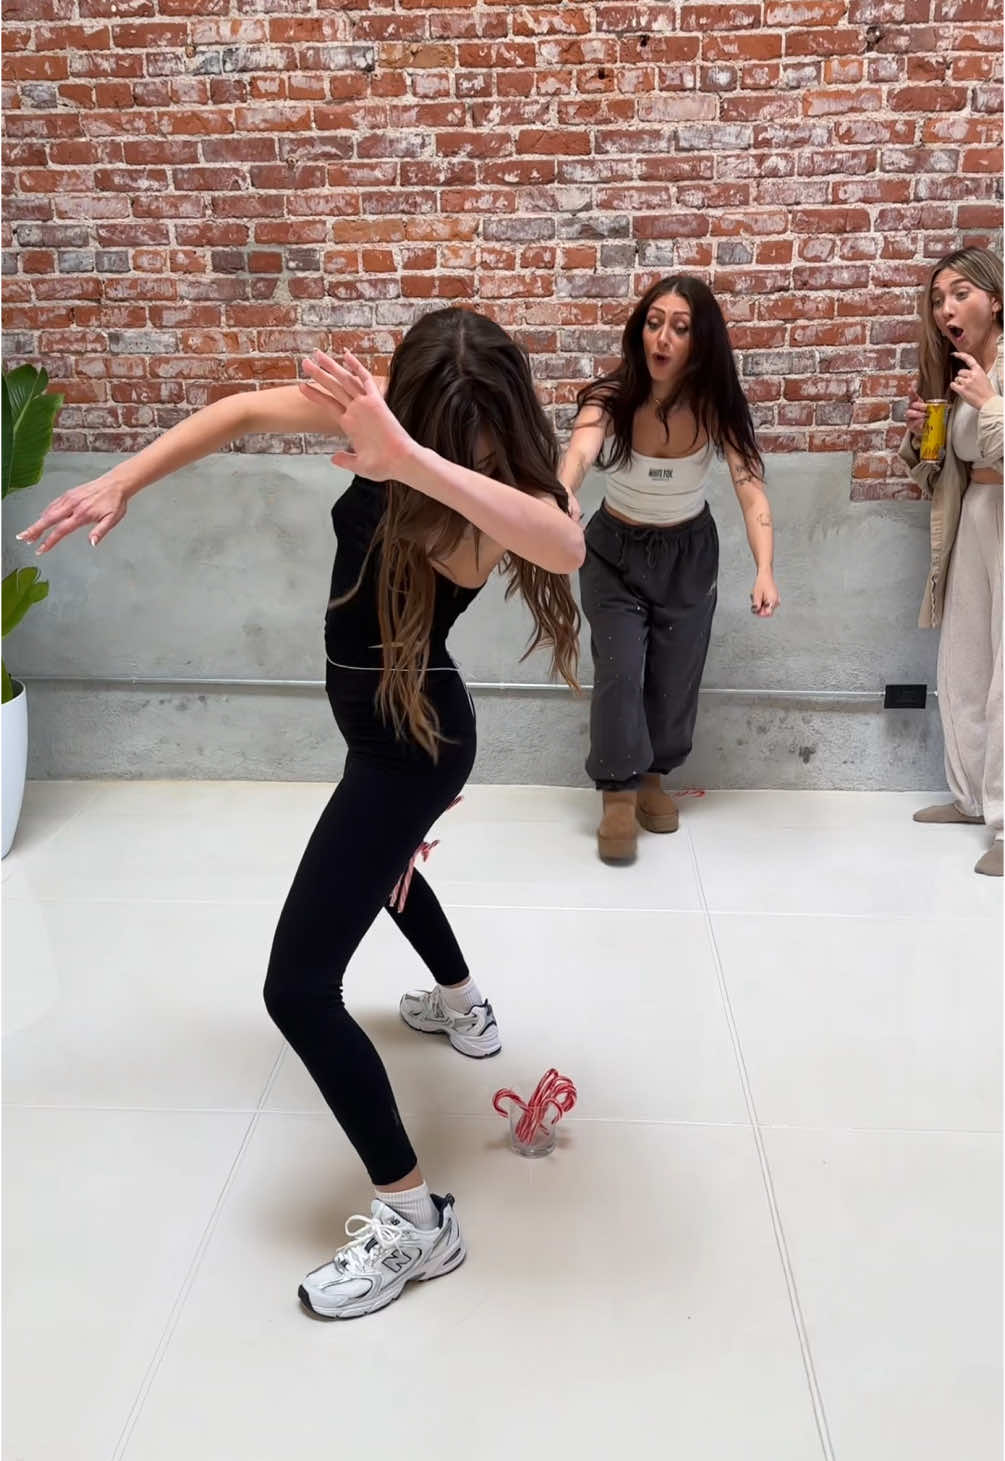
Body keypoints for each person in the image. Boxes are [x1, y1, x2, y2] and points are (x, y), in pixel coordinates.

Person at [18, 306, 584, 1317]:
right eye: (431, 425)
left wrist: (408, 456)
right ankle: (461, 1006)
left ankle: (418, 1223)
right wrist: (124, 478)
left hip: (414, 743)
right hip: (387, 726)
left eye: (473, 433)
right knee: (390, 877)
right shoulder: (375, 416)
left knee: (296, 988)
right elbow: (240, 411)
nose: (460, 447)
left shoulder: (495, 488)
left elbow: (563, 546)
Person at [558, 274, 780, 864]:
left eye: (679, 328)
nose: (662, 338)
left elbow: (751, 491)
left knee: (674, 675)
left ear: (699, 342)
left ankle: (653, 776)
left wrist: (765, 569)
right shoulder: (609, 397)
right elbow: (579, 454)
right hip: (614, 551)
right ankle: (616, 795)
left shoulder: (717, 408)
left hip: (688, 553)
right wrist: (563, 496)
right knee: (620, 669)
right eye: (654, 323)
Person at [900, 247, 1004, 877]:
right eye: (939, 299)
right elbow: (944, 470)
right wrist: (921, 437)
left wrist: (990, 400)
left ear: (995, 298)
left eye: (960, 294)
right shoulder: (962, 370)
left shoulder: (990, 375)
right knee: (964, 664)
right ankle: (971, 798)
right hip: (978, 522)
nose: (946, 309)